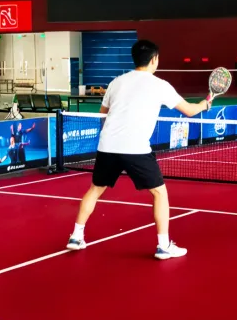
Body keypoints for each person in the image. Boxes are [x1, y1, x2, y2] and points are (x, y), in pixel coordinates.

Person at [66, 39, 212, 260]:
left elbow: (103, 115)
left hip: (108, 146)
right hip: (136, 148)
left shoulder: (116, 82)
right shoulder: (160, 85)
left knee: (95, 189)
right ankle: (163, 246)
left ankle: (76, 237)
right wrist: (204, 104)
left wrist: (111, 136)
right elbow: (190, 111)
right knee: (159, 193)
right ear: (154, 60)